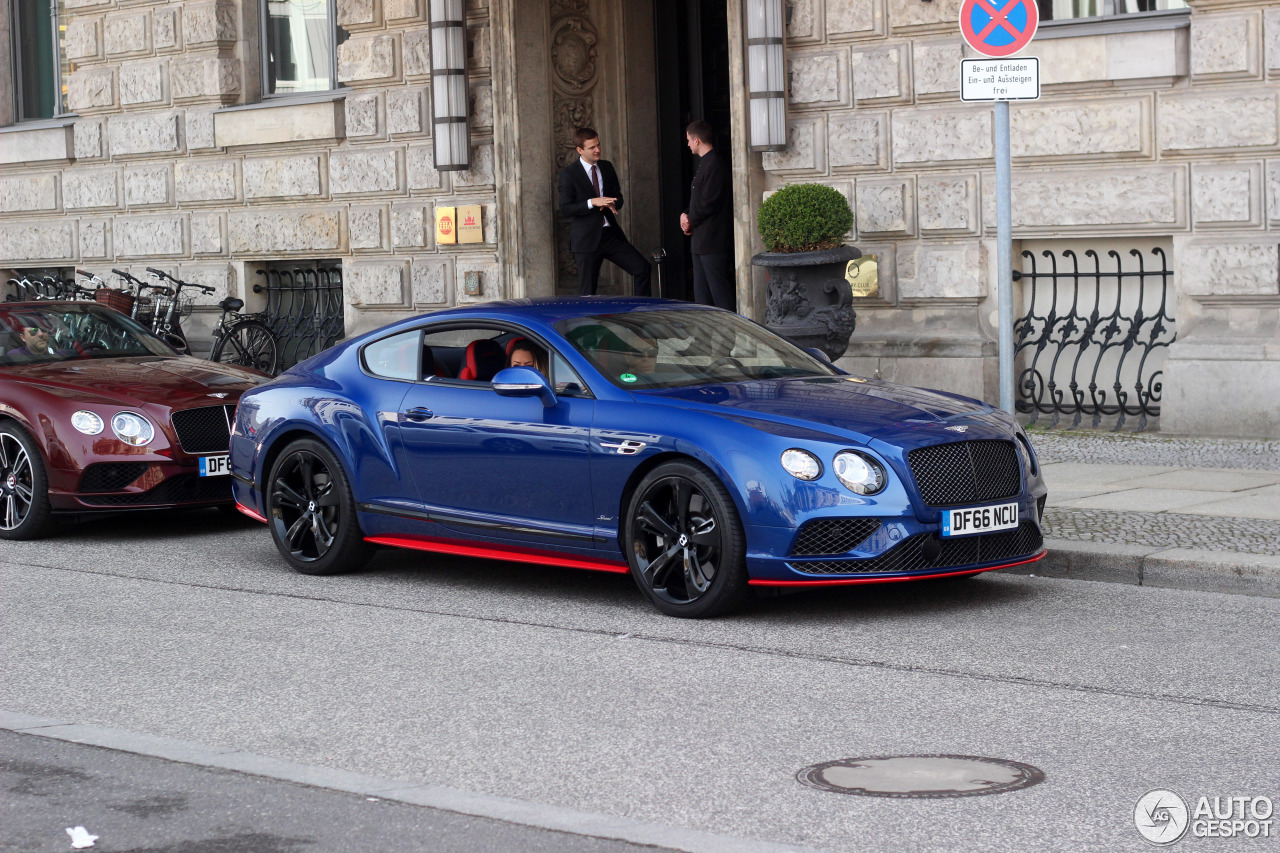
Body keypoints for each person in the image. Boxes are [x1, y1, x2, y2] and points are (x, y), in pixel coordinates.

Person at [557, 127, 652, 297]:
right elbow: (565, 209)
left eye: (598, 145)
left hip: (610, 235)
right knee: (587, 293)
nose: (597, 150)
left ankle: (641, 311)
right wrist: (592, 202)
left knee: (642, 268)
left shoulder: (607, 167)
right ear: (580, 150)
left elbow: (619, 197)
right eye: (592, 147)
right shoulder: (569, 174)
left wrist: (613, 203)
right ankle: (586, 322)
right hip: (586, 241)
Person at [680, 120, 734, 310]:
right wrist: (685, 215)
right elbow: (698, 200)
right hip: (701, 241)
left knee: (719, 292)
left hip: (713, 240)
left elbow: (707, 202)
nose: (687, 144)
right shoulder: (706, 163)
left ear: (696, 140)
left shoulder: (715, 164)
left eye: (688, 140)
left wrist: (689, 220)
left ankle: (730, 333)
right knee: (702, 295)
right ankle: (705, 337)